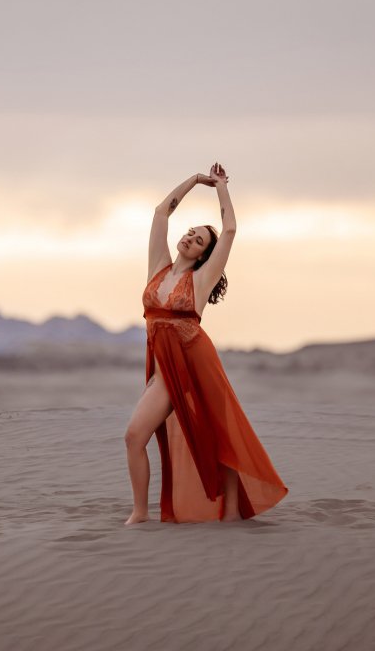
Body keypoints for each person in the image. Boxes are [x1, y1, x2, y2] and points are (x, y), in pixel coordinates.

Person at [124, 163, 289, 525]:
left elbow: (229, 229)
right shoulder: (159, 268)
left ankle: (225, 512)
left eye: (198, 241)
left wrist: (220, 187)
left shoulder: (201, 280)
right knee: (136, 436)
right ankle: (140, 511)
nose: (189, 239)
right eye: (189, 234)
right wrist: (193, 181)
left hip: (193, 360)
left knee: (214, 433)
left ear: (202, 255)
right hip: (162, 366)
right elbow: (160, 212)